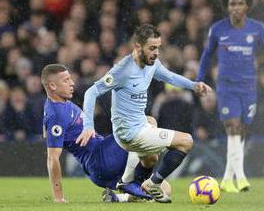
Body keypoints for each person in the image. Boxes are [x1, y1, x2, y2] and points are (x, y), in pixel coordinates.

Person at [77, 24, 211, 203]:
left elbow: (170, 77)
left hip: (139, 124)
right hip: (129, 133)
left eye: (158, 48)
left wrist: (194, 85)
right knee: (186, 141)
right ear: (138, 47)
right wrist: (88, 126)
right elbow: (91, 92)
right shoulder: (123, 69)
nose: (156, 53)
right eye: (152, 48)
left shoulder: (152, 63)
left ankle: (126, 192)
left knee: (151, 153)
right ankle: (151, 183)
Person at [41, 64, 169, 203]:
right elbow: (52, 158)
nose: (72, 83)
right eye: (66, 80)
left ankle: (119, 198)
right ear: (52, 86)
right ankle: (127, 182)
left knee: (163, 189)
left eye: (70, 78)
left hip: (103, 160)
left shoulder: (58, 105)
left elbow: (47, 132)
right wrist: (58, 198)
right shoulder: (56, 115)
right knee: (148, 121)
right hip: (101, 159)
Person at [197, 0, 264, 193]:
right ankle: (241, 177)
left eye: (240, 3)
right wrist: (199, 79)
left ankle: (227, 178)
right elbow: (207, 55)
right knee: (232, 127)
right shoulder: (217, 29)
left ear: (247, 7)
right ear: (227, 7)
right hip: (226, 87)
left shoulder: (257, 28)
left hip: (249, 87)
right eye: (232, 4)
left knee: (241, 131)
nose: (235, 7)